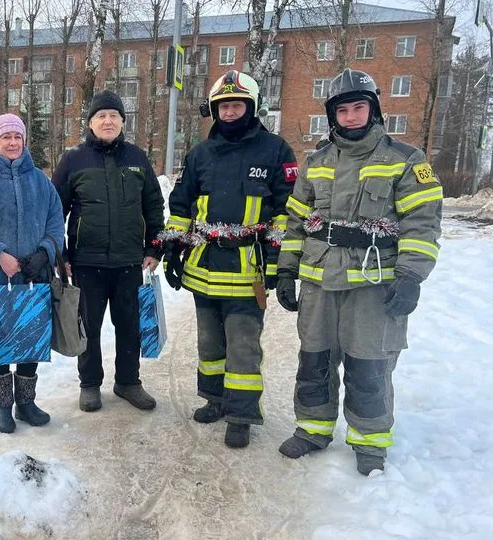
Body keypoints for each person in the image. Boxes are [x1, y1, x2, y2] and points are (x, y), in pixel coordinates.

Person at [275, 69, 442, 475]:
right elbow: (295, 221)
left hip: (374, 285)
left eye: (358, 108)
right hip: (319, 281)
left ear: (374, 109)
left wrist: (411, 275)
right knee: (313, 361)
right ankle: (313, 430)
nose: (350, 117)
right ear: (332, 115)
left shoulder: (406, 160)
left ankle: (369, 442)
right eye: (342, 110)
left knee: (369, 366)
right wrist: (285, 270)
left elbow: (423, 223)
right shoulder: (315, 162)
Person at [162, 70, 297, 448]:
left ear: (252, 108)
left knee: (242, 345)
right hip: (203, 267)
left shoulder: (275, 150)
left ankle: (241, 414)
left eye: (237, 105)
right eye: (223, 106)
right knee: (209, 342)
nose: (230, 112)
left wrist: (275, 263)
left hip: (247, 268)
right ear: (214, 110)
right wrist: (173, 248)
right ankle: (215, 399)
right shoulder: (200, 154)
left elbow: (285, 212)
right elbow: (181, 206)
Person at [52, 90, 165, 413]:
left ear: (122, 122)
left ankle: (128, 381)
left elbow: (154, 205)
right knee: (89, 325)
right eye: (101, 116)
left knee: (129, 324)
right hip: (86, 262)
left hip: (130, 260)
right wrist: (62, 256)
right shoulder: (73, 160)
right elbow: (54, 211)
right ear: (90, 122)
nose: (108, 121)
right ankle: (89, 384)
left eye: (114, 116)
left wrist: (155, 247)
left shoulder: (137, 158)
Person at [0, 113, 65, 433]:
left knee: (31, 339)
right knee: (2, 341)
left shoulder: (40, 181)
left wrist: (44, 252)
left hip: (34, 276)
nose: (12, 142)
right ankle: (2, 407)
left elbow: (55, 222)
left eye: (17, 137)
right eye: (5, 137)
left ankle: (26, 403)